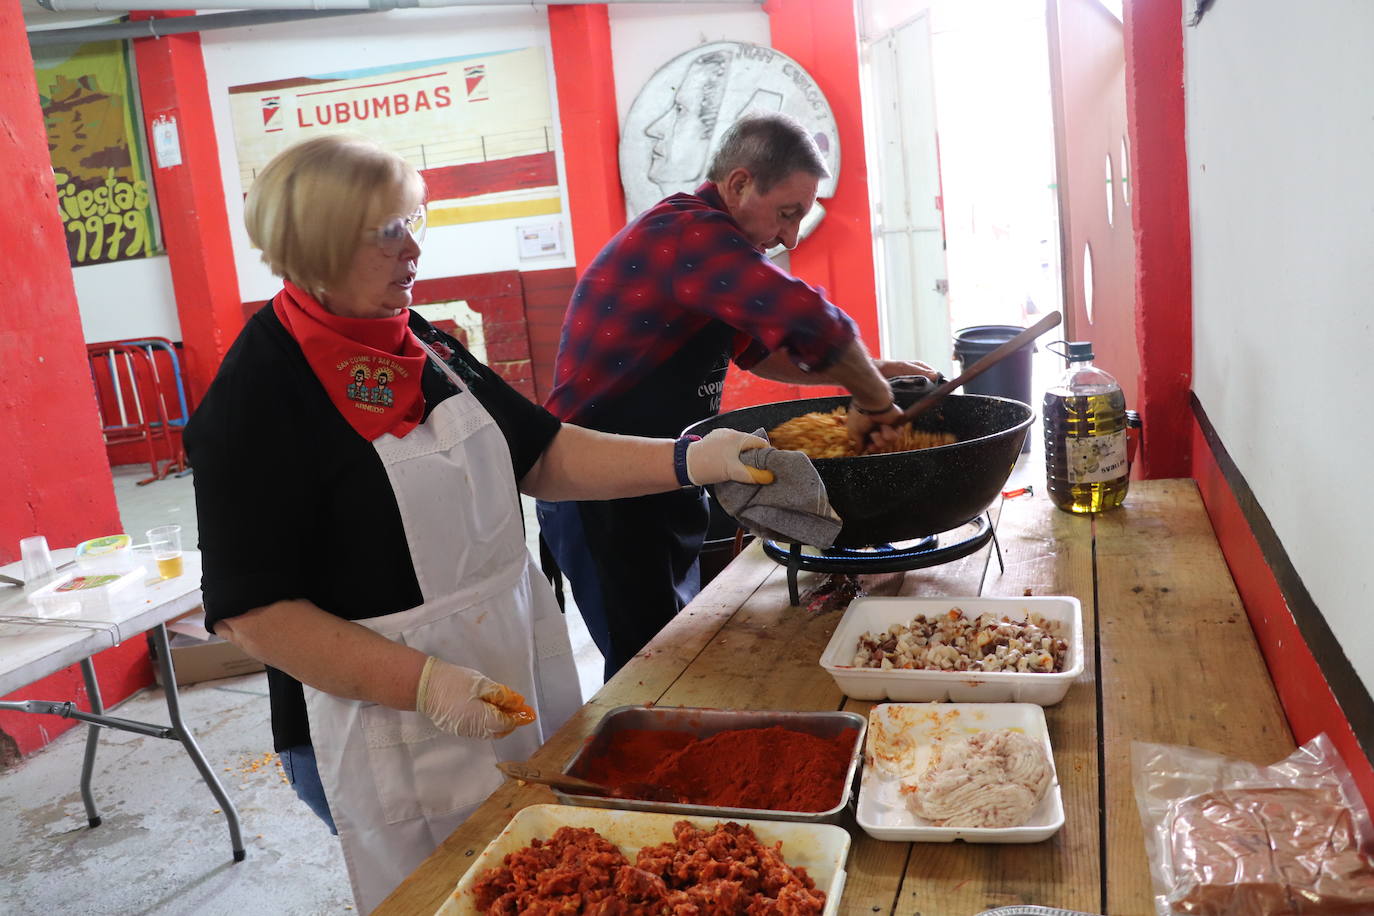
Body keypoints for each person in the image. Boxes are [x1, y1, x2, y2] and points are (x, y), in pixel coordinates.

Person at [183, 135, 770, 914]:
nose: (413, 248)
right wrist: (425, 685)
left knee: (552, 874)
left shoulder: (418, 341)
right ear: (319, 245)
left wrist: (692, 460)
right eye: (388, 232)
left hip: (509, 668)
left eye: (411, 221)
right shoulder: (254, 402)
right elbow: (253, 613)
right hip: (389, 720)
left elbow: (543, 452)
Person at [538, 112, 937, 681]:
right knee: (644, 672)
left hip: (663, 475)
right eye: (788, 213)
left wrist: (868, 372)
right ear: (740, 184)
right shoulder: (691, 234)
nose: (791, 236)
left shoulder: (711, 249)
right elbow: (805, 315)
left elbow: (759, 351)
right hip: (600, 493)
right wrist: (874, 400)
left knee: (675, 655)